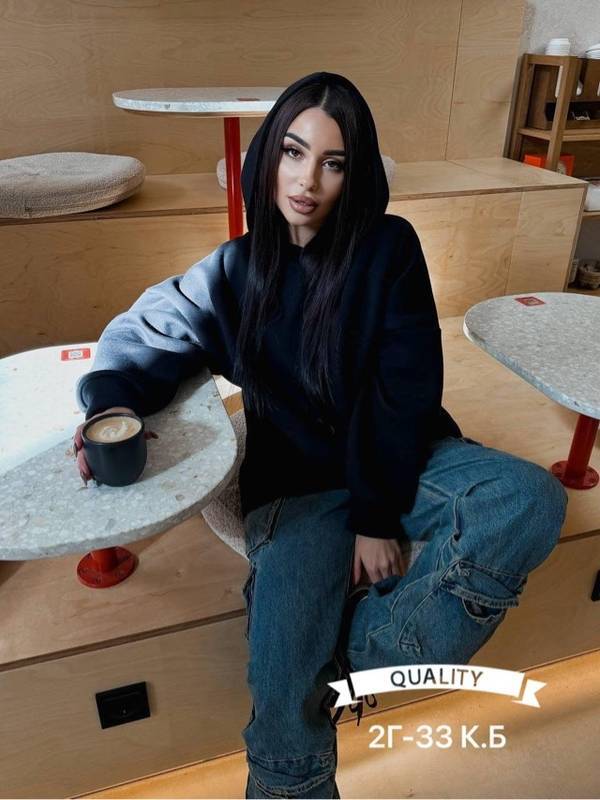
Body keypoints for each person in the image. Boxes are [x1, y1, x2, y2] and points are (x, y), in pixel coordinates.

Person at [73, 72, 568, 799]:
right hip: (295, 491)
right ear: (268, 154)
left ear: (354, 173)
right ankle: (306, 685)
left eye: (333, 163)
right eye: (294, 152)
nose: (307, 181)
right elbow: (144, 335)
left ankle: (344, 662)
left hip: (406, 461)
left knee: (527, 500)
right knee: (283, 715)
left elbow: (403, 392)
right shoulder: (234, 270)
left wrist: (375, 517)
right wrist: (108, 405)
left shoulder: (389, 249)